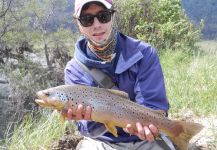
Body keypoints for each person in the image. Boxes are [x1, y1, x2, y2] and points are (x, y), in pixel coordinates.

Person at [62, 0, 175, 149]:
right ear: (79, 25)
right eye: (87, 19)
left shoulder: (144, 53)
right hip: (103, 142)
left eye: (103, 16)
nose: (96, 24)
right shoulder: (74, 70)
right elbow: (86, 129)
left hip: (146, 139)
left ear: (112, 16)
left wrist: (146, 127)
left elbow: (152, 105)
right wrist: (90, 118)